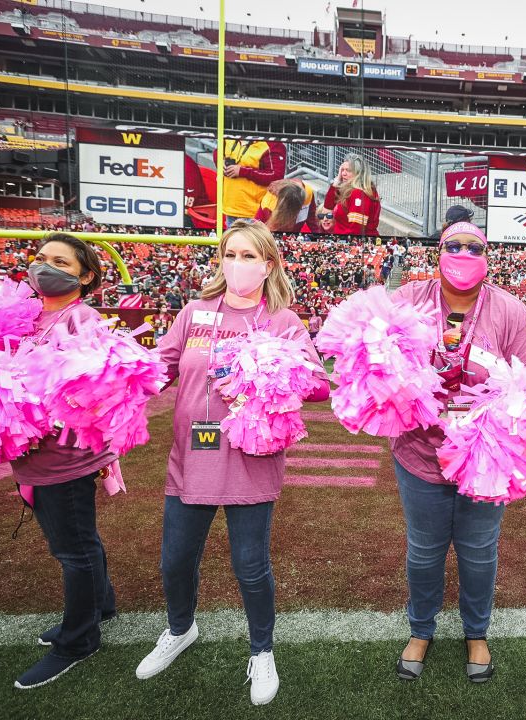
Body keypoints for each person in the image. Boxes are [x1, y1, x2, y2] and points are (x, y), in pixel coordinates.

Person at [136, 220, 330, 705]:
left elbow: (318, 386)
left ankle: (262, 651)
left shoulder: (284, 321)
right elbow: (159, 369)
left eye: (249, 256)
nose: (238, 264)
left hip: (250, 460)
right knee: (176, 560)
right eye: (231, 253)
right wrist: (111, 378)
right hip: (192, 457)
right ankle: (180, 629)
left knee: (250, 565)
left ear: (268, 265)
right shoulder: (196, 312)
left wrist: (278, 370)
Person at [389, 221, 526, 684]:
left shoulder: (510, 312)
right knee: (424, 550)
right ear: (438, 252)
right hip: (418, 453)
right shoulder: (408, 300)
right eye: (454, 245)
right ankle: (421, 629)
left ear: (488, 256)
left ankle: (476, 633)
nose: (464, 252)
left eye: (475, 246)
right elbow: (376, 366)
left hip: (484, 458)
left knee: (478, 552)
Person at [11, 233, 118, 690]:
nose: (44, 266)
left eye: (60, 261)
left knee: (72, 549)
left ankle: (78, 639)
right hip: (31, 454)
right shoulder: (27, 315)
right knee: (77, 540)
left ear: (85, 276)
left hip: (65, 457)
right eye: (39, 258)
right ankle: (101, 605)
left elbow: (96, 390)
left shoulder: (83, 319)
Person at [222, 139, 287, 226]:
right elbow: (218, 151)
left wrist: (242, 171)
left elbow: (276, 176)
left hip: (254, 214)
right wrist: (220, 160)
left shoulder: (272, 144)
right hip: (230, 208)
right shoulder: (230, 136)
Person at [323, 153, 381, 236]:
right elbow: (326, 211)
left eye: (348, 170)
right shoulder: (347, 189)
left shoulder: (359, 193)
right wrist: (336, 183)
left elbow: (356, 230)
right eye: (342, 170)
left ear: (358, 173)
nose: (343, 174)